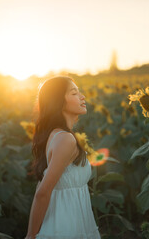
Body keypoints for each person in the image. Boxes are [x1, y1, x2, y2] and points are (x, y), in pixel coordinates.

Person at [25, 76, 101, 238]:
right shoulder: (65, 139)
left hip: (67, 222)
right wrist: (30, 236)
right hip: (66, 225)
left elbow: (40, 187)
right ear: (59, 101)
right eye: (74, 93)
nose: (82, 97)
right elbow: (42, 192)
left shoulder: (54, 135)